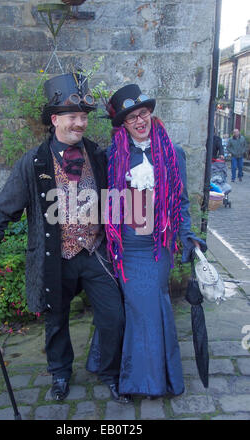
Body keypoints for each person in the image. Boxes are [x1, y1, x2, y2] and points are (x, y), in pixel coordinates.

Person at [0, 73, 131, 404]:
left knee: (114, 317)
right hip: (56, 257)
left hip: (96, 253)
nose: (80, 123)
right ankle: (60, 374)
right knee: (56, 321)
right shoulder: (34, 162)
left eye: (83, 117)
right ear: (55, 119)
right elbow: (5, 208)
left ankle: (111, 373)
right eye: (73, 117)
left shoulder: (97, 155)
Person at [86, 84, 207, 399]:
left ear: (151, 113)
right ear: (123, 124)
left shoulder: (172, 152)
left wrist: (187, 235)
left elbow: (180, 202)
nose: (140, 121)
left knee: (150, 304)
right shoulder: (111, 156)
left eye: (143, 113)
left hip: (157, 246)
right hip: (125, 246)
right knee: (133, 307)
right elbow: (101, 199)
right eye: (131, 118)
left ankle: (149, 378)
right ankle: (131, 374)